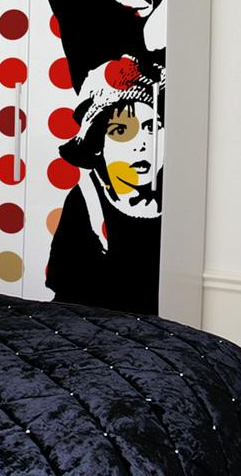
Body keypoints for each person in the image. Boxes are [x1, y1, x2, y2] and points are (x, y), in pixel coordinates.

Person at [46, 55, 165, 314]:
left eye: (151, 127)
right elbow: (65, 289)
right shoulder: (87, 201)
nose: (142, 144)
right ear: (98, 144)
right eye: (121, 131)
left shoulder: (171, 201)